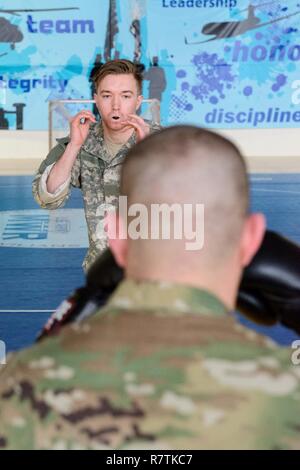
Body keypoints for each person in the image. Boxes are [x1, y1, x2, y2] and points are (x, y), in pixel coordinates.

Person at [1, 126, 300, 450]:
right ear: (253, 238)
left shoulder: (17, 389)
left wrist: (47, 350)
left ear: (114, 235)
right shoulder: (286, 391)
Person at [32, 59, 161, 271]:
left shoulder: (166, 142)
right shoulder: (81, 140)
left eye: (125, 96)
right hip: (102, 275)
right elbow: (47, 198)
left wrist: (146, 153)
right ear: (96, 100)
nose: (116, 105)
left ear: (138, 101)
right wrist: (74, 146)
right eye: (107, 96)